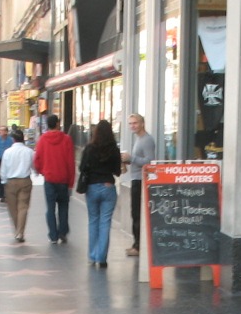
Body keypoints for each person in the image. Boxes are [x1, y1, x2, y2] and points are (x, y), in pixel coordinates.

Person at [79, 119, 123, 268]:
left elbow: (82, 167)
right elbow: (117, 171)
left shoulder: (89, 148)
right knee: (105, 222)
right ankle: (102, 258)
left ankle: (92, 256)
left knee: (93, 221)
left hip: (91, 187)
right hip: (108, 186)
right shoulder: (114, 149)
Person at [33, 114, 76, 243]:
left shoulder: (43, 139)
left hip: (49, 180)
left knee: (50, 208)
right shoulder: (66, 139)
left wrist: (43, 171)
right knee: (63, 206)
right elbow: (70, 162)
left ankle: (53, 235)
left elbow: (37, 160)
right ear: (58, 123)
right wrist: (71, 182)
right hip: (63, 179)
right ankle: (62, 232)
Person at [120, 113, 156, 256]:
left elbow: (149, 161)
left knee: (137, 213)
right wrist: (128, 160)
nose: (132, 126)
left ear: (142, 123)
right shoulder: (139, 139)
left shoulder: (147, 140)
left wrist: (131, 158)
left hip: (141, 180)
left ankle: (138, 246)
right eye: (130, 123)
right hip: (136, 178)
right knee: (135, 213)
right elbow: (140, 160)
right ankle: (136, 243)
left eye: (135, 123)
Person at [0, 127, 35, 242]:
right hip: (25, 180)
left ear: (13, 140)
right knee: (23, 207)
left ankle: (17, 230)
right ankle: (20, 232)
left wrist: (3, 181)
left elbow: (3, 169)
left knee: (13, 208)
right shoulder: (29, 152)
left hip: (10, 181)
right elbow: (34, 167)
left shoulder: (7, 152)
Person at [0, 126, 13, 201]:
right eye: (0, 131)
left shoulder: (10, 140)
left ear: (7, 132)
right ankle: (1, 195)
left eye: (4, 130)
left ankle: (7, 193)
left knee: (8, 177)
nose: (2, 132)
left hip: (8, 160)